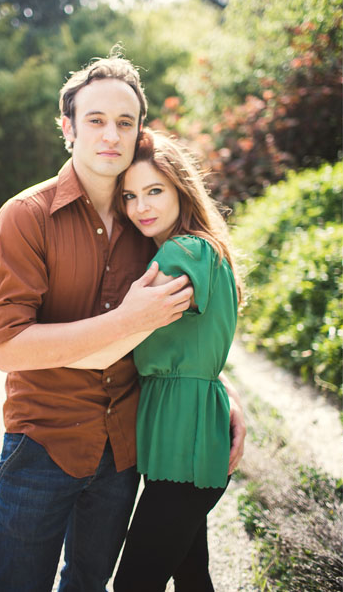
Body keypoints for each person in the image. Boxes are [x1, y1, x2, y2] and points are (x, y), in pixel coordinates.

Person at [0, 54, 245, 591]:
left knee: (91, 585)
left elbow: (186, 333)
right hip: (43, 443)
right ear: (68, 128)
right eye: (96, 120)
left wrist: (222, 389)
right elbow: (8, 348)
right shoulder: (25, 216)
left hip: (124, 451)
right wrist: (126, 320)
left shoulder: (150, 229)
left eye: (125, 122)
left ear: (138, 132)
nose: (111, 134)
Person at [63, 129, 241, 590]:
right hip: (182, 437)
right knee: (191, 573)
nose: (141, 207)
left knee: (134, 584)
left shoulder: (183, 254)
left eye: (155, 191)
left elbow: (122, 337)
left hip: (186, 441)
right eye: (129, 196)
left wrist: (58, 352)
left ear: (182, 188)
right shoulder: (194, 248)